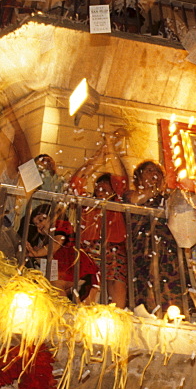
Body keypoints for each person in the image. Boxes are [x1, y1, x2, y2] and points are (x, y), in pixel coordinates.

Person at [69, 130, 129, 308]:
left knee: (116, 282)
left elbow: (122, 180)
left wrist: (111, 149)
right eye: (99, 187)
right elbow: (74, 183)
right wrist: (96, 160)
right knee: (89, 283)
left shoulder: (117, 202)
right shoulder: (88, 203)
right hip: (89, 246)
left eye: (107, 187)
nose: (102, 190)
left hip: (114, 246)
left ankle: (118, 316)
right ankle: (83, 313)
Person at [126, 160, 184, 313]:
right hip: (143, 245)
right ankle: (146, 310)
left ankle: (169, 312)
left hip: (167, 247)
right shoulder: (132, 194)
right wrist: (155, 190)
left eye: (158, 172)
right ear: (139, 177)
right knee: (146, 277)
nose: (155, 175)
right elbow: (135, 200)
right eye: (150, 171)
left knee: (167, 279)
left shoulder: (168, 197)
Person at [26, 205, 100, 302]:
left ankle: (64, 308)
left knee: (56, 286)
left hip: (72, 266)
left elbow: (57, 242)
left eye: (41, 220)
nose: (39, 225)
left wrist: (37, 253)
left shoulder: (60, 225)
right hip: (73, 271)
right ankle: (75, 311)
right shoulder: (49, 238)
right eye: (36, 224)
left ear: (55, 216)